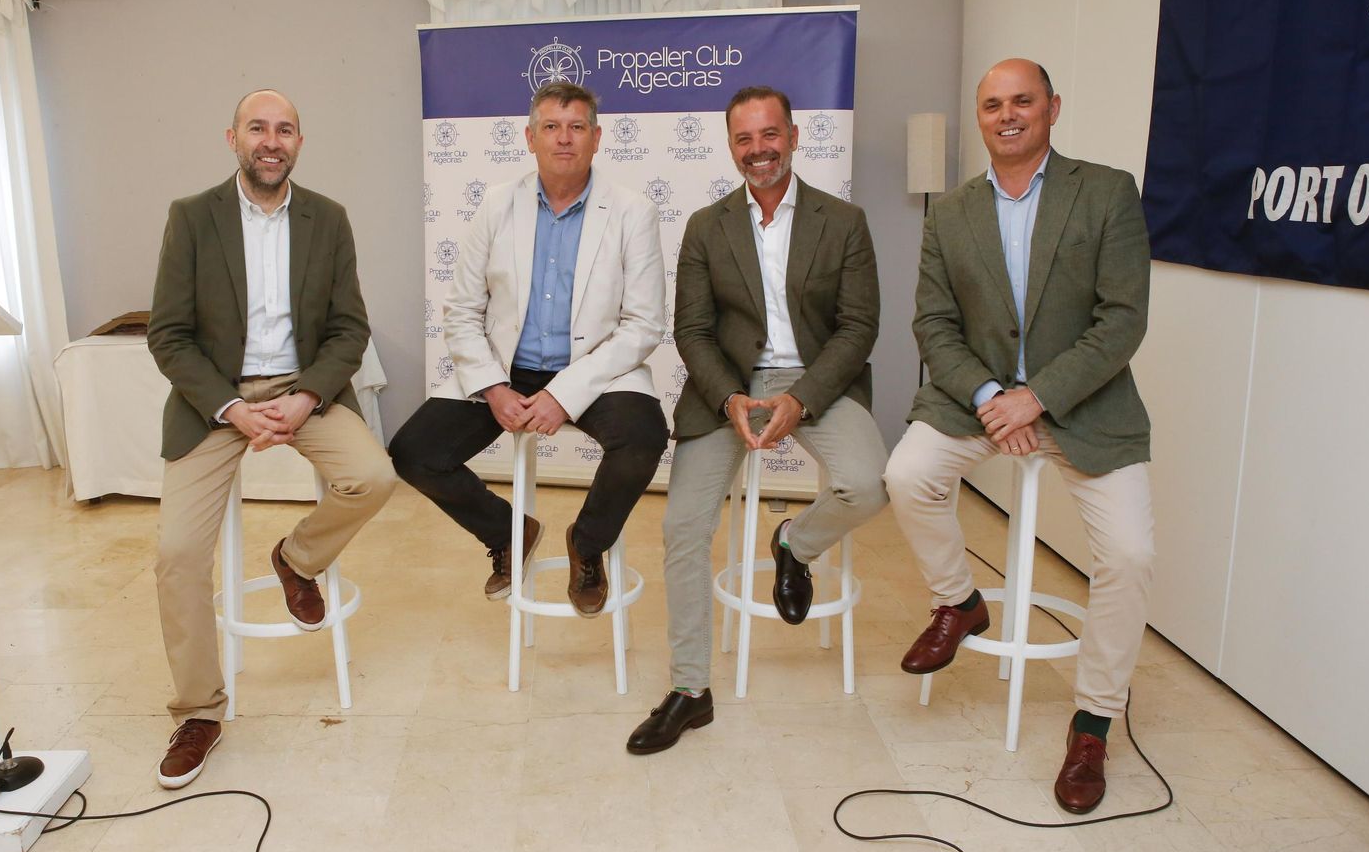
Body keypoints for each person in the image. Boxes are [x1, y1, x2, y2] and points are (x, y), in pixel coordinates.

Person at [884, 58, 1155, 814]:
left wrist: (1038, 397)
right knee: (907, 476)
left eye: (1023, 102)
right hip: (981, 402)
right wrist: (987, 394)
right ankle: (959, 600)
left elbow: (1123, 319)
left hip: (1086, 405)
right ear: (981, 118)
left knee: (1130, 555)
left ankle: (1094, 721)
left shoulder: (1105, 192)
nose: (1008, 115)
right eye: (993, 104)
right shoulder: (953, 211)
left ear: (1052, 108)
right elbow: (933, 324)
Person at [626, 85, 890, 755]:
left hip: (818, 381)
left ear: (794, 137)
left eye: (769, 134)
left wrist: (801, 399)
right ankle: (690, 689)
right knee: (683, 524)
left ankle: (793, 545)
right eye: (744, 139)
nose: (758, 149)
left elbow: (858, 328)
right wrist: (728, 399)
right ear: (730, 146)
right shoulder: (705, 226)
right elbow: (692, 328)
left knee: (866, 482)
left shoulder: (844, 221)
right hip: (730, 388)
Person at [146, 89, 394, 788]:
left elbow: (350, 327)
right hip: (214, 401)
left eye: (284, 129)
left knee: (374, 477)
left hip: (303, 387)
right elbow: (168, 334)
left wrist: (309, 394)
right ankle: (199, 711)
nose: (271, 140)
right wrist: (231, 407)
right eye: (258, 127)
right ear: (233, 138)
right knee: (176, 554)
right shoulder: (192, 218)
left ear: (299, 143)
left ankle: (296, 557)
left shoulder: (329, 218)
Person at [390, 82, 667, 618]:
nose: (564, 139)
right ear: (530, 137)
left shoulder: (634, 211)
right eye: (551, 127)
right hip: (505, 369)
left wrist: (564, 394)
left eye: (577, 127)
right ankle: (509, 531)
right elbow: (463, 310)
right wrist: (492, 387)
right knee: (413, 452)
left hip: (597, 372)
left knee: (643, 437)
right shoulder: (497, 204)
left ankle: (587, 546)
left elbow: (643, 326)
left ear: (597, 138)